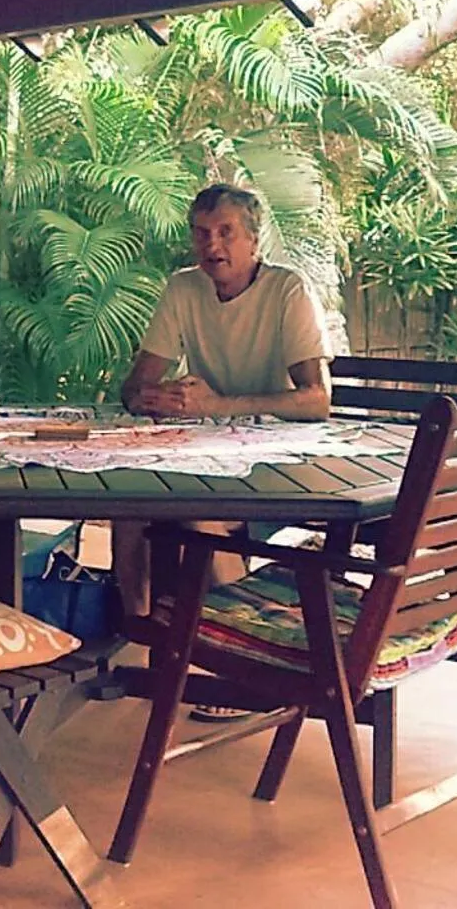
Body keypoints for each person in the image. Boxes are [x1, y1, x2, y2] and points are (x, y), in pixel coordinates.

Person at [112, 183, 333, 636]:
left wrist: (219, 406)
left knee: (196, 511)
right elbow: (134, 385)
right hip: (201, 455)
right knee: (126, 503)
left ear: (253, 238)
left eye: (225, 232)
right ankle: (138, 633)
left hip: (278, 465)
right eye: (201, 233)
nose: (211, 245)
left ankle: (239, 641)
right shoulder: (183, 288)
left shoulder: (287, 290)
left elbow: (318, 400)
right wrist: (151, 397)